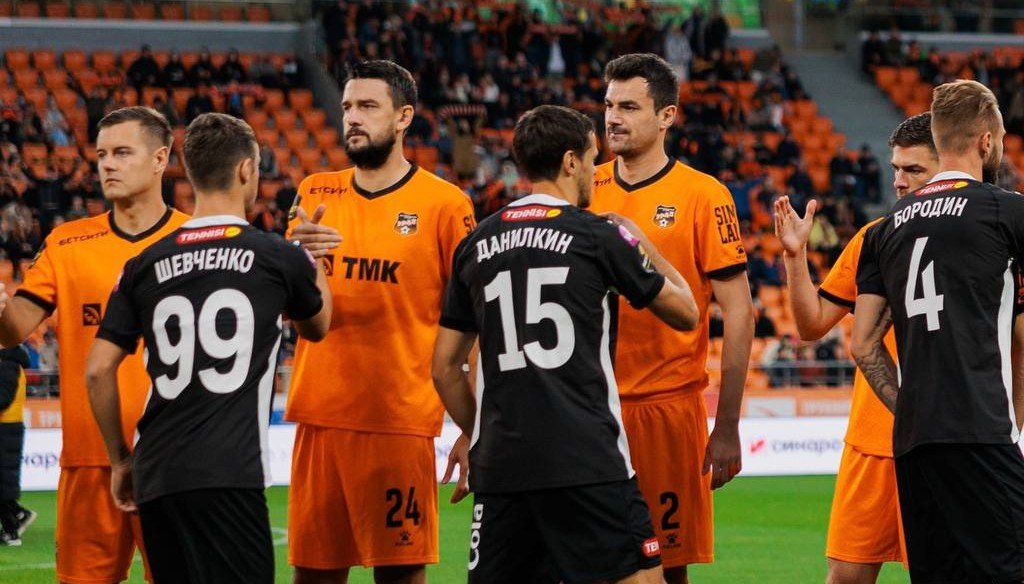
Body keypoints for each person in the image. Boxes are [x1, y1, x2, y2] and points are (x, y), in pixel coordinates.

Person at [433, 104, 698, 584]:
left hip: (503, 467)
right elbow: (686, 313)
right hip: (587, 459)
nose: (597, 172)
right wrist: (641, 242)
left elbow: (445, 368)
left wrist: (477, 434)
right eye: (593, 159)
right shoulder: (598, 235)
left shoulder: (475, 245)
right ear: (571, 161)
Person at [86, 112, 331, 584]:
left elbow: (97, 370)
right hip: (228, 471)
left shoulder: (142, 263)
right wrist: (310, 255)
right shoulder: (275, 255)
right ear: (246, 170)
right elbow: (318, 326)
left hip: (157, 473)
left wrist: (120, 459)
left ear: (190, 173)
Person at [285, 60, 475, 584]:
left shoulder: (444, 204)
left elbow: (475, 323)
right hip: (320, 420)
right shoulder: (315, 193)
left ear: (403, 117)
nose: (352, 117)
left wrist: (473, 426)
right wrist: (298, 265)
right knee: (313, 577)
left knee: (400, 576)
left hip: (399, 425)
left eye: (368, 106)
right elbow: (300, 315)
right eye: (348, 106)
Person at [0, 106, 189, 583]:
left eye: (122, 153)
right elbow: (13, 329)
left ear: (160, 159)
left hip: (174, 460)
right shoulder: (68, 242)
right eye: (102, 154)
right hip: (87, 460)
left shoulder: (195, 239)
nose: (107, 164)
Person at [588, 53, 754, 584]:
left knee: (668, 569)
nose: (613, 118)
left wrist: (726, 424)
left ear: (666, 116)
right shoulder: (582, 187)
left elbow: (739, 312)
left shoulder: (703, 195)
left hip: (666, 408)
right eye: (609, 105)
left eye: (629, 107)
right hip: (588, 407)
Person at [852, 79, 1024, 583]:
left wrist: (908, 406)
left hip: (914, 440)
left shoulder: (884, 230)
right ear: (986, 142)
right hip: (980, 427)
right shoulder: (1005, 209)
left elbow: (863, 343)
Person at [775, 112, 938, 584]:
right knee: (846, 576)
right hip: (872, 436)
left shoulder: (981, 237)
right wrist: (794, 257)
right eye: (896, 168)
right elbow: (811, 326)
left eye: (914, 169)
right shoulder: (873, 239)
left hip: (941, 437)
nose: (899, 181)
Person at [0, 345, 33, 546]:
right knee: (3, 482)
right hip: (9, 427)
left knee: (2, 482)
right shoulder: (12, 364)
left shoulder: (8, 366)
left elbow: (4, 398)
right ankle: (17, 517)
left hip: (5, 428)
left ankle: (13, 528)